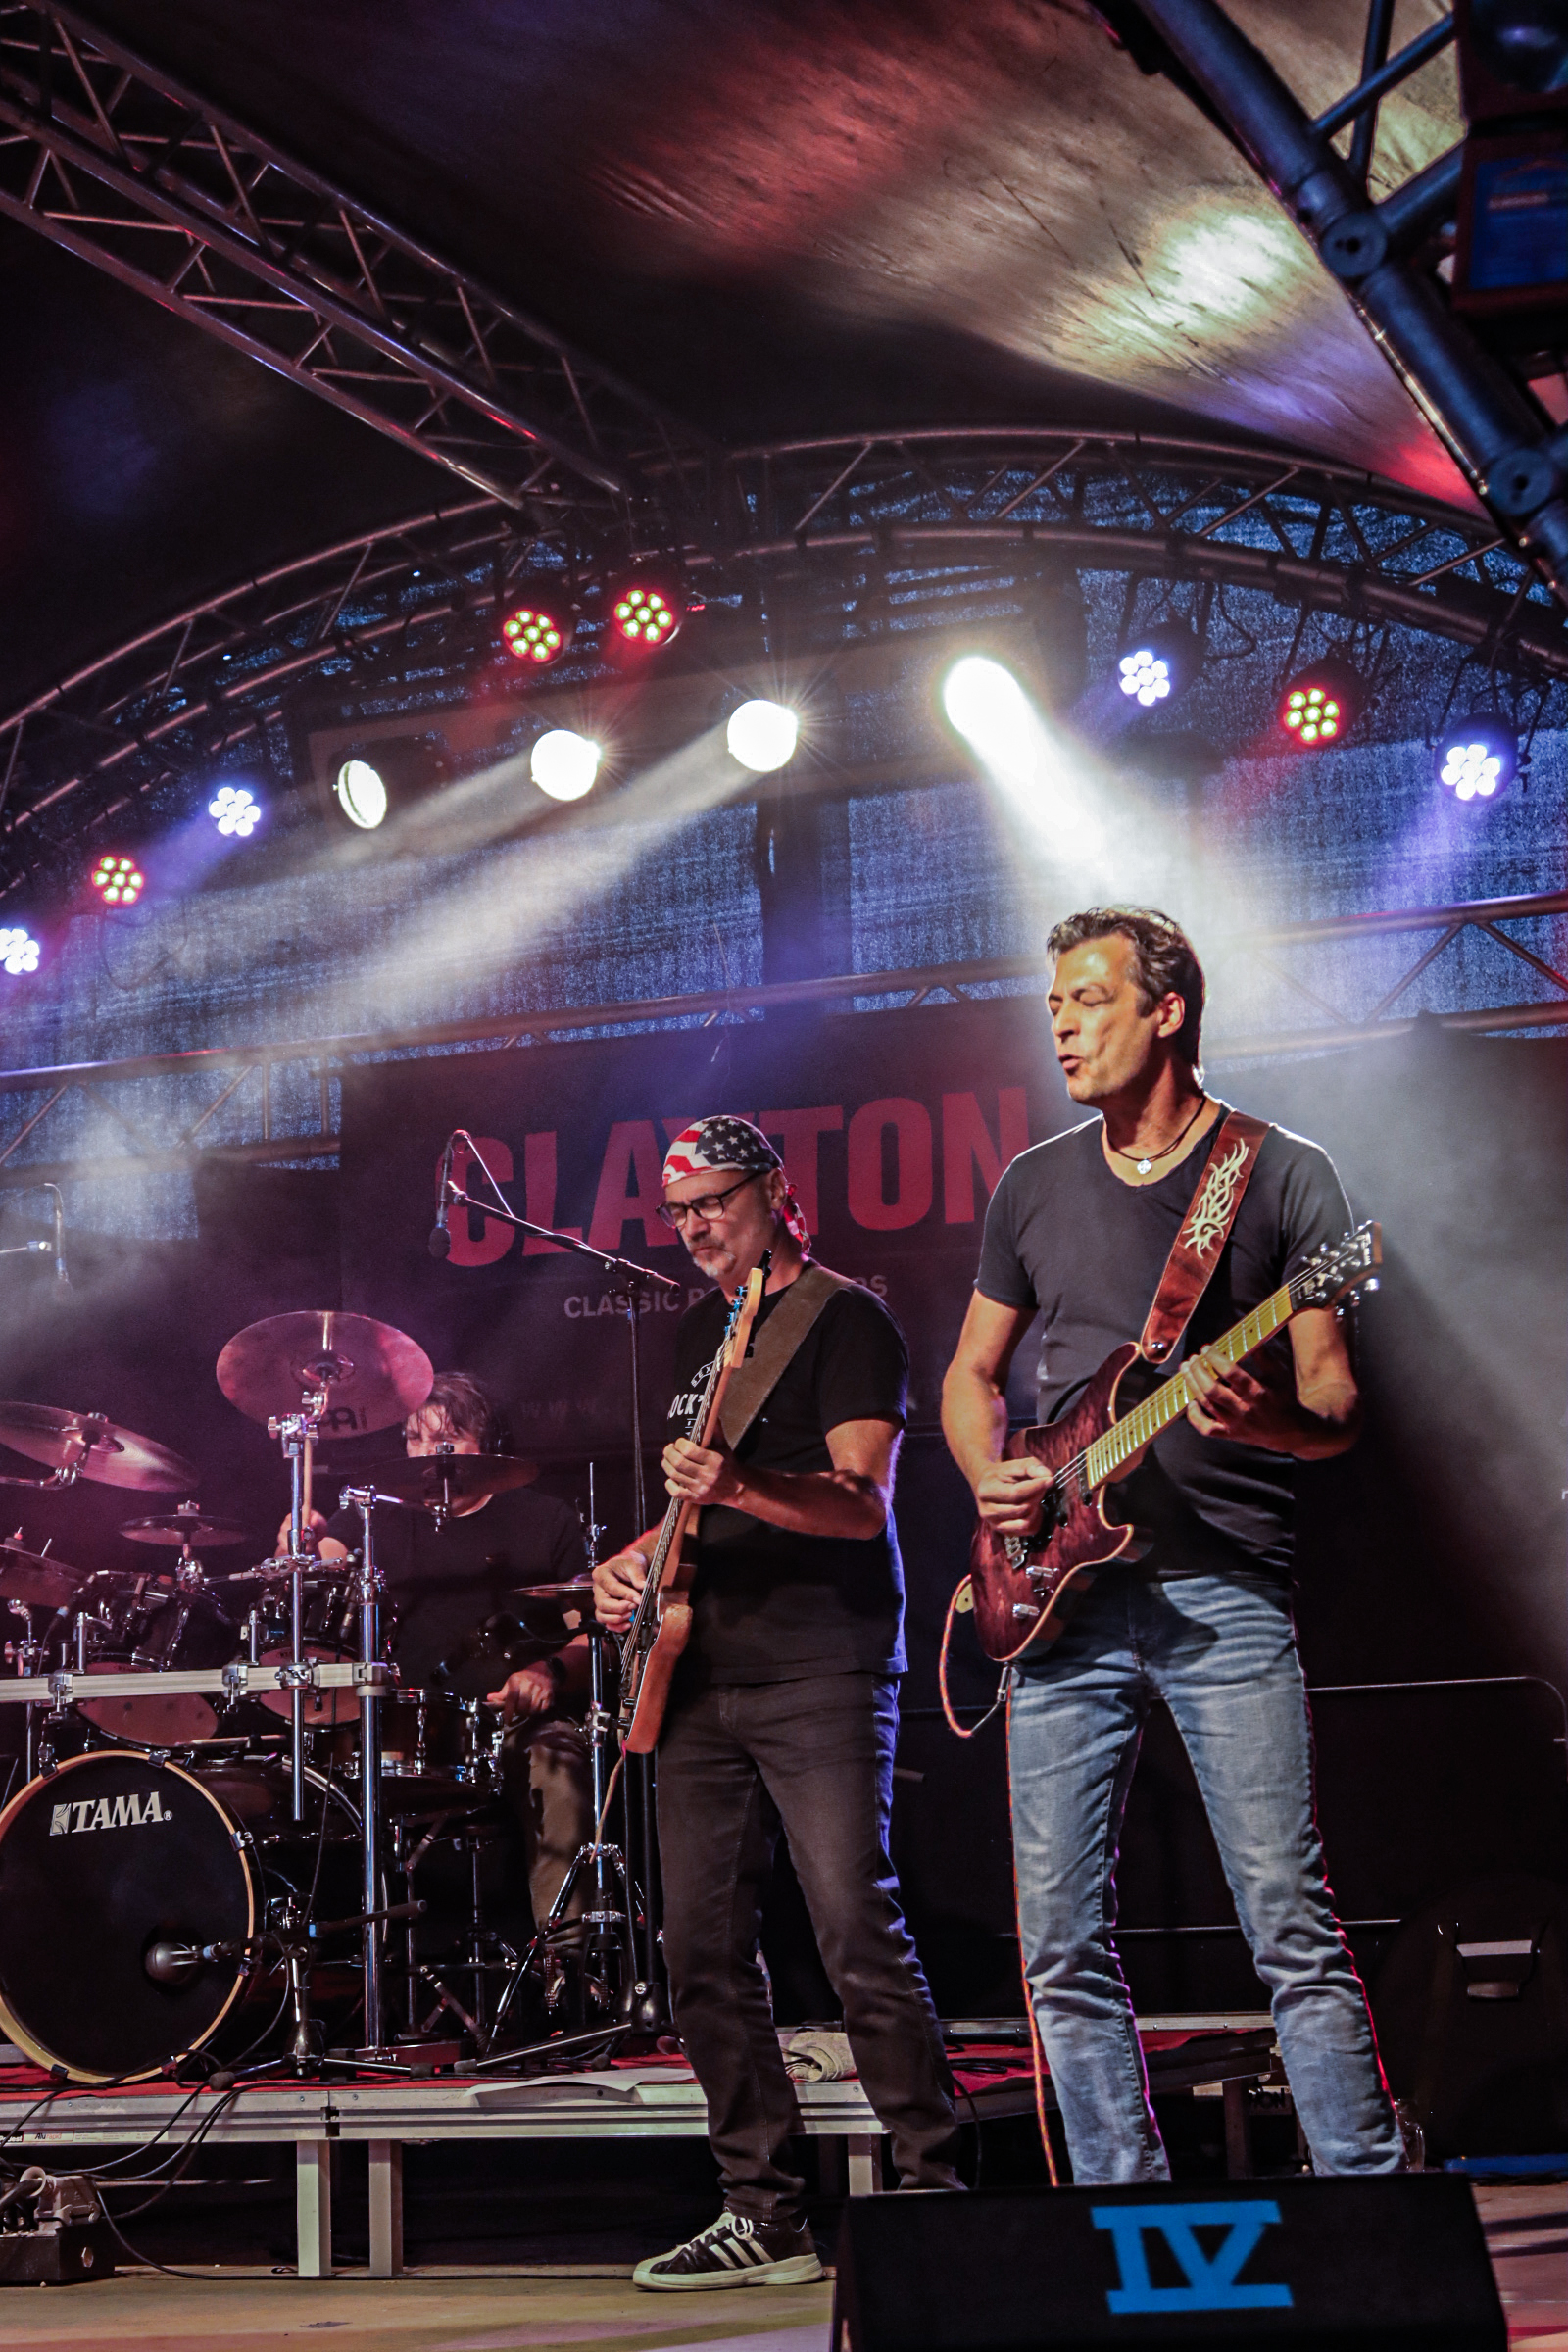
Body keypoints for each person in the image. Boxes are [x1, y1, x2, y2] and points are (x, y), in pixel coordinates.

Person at [941, 906, 1403, 2185]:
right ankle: (1119, 2208)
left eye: (1088, 1001)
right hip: (1059, 1599)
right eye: (1053, 1006)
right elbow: (970, 1376)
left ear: (1167, 1010)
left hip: (1223, 1589)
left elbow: (1336, 1403)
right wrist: (993, 1477)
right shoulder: (1031, 1184)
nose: (1062, 1027)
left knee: (1286, 1919)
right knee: (1059, 1943)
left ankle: (1365, 2195)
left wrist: (1271, 1420)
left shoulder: (1281, 1172)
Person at [593, 1115, 963, 2291]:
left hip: (819, 1664)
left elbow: (860, 1504)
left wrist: (740, 1482)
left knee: (853, 1924)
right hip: (698, 1668)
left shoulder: (845, 1318)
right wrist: (629, 1564)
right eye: (679, 1212)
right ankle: (763, 2213)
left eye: (715, 1202)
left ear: (774, 1194)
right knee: (700, 1947)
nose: (696, 1227)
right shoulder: (696, 1330)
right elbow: (696, 1510)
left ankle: (932, 2194)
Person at [276, 1371, 593, 1937]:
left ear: (486, 1443)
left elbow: (592, 1635)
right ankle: (360, 1954)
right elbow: (314, 1562)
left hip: (514, 1721)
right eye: (416, 1439)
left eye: (447, 1439)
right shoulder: (376, 1518)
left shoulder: (545, 1521)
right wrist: (297, 1545)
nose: (429, 1455)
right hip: (404, 1728)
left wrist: (548, 1671)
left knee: (559, 1765)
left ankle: (565, 1960)